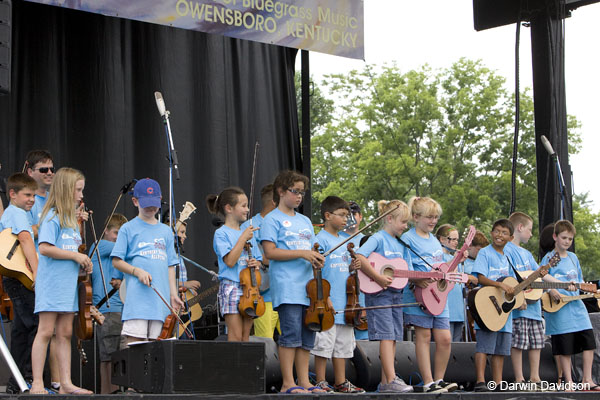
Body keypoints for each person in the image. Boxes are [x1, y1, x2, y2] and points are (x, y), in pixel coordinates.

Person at [260, 170, 325, 394]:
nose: (299, 196)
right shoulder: (272, 219)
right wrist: (302, 253)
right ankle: (288, 383)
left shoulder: (306, 221)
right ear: (281, 191)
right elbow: (269, 253)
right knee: (290, 334)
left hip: (309, 288)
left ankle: (304, 381)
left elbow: (312, 250)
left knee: (308, 335)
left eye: (302, 193)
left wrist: (316, 258)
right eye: (294, 191)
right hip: (287, 286)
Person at [30, 167, 93, 395]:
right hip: (52, 284)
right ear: (66, 190)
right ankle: (37, 382)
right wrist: (76, 256)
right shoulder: (52, 216)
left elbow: (72, 250)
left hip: (67, 286)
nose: (81, 195)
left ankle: (65, 382)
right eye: (78, 190)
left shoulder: (70, 220)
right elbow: (45, 248)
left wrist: (83, 262)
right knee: (46, 331)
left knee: (65, 333)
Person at [111, 178, 184, 347]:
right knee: (135, 347)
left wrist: (173, 295)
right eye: (146, 203)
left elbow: (170, 266)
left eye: (155, 203)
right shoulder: (128, 229)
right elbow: (116, 261)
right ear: (135, 201)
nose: (151, 208)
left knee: (158, 349)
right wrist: (137, 271)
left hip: (160, 303)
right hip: (138, 302)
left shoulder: (166, 231)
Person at [355, 200, 413, 393]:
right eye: (403, 222)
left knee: (394, 336)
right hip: (379, 295)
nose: (406, 226)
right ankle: (391, 378)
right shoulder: (378, 238)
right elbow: (360, 257)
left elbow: (407, 269)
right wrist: (378, 277)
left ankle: (386, 381)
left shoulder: (401, 243)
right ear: (389, 218)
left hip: (397, 295)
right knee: (387, 336)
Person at [401, 197, 457, 393]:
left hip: (438, 296)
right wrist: (416, 279)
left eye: (436, 217)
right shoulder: (407, 238)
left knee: (444, 338)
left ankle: (440, 379)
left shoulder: (434, 239)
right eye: (429, 217)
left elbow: (440, 267)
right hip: (418, 296)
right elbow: (405, 268)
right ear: (416, 217)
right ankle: (428, 381)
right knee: (423, 336)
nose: (434, 221)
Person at [310, 196, 364, 394]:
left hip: (346, 302)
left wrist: (353, 266)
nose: (346, 220)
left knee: (343, 344)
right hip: (328, 301)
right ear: (327, 215)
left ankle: (341, 381)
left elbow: (346, 271)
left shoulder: (346, 241)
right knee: (324, 342)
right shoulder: (320, 240)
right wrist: (326, 296)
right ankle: (321, 380)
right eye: (342, 215)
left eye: (347, 216)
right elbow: (317, 271)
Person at [541, 220, 600, 392]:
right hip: (559, 308)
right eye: (564, 237)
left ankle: (587, 379)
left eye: (570, 239)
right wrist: (554, 288)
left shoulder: (573, 258)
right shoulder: (549, 258)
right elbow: (541, 277)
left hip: (576, 306)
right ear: (555, 237)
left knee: (589, 342)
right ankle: (568, 381)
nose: (567, 241)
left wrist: (581, 285)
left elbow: (579, 279)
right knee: (565, 346)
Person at [207, 186, 262, 342]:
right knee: (236, 336)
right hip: (231, 286)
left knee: (246, 337)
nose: (247, 209)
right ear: (229, 208)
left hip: (249, 288)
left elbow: (258, 260)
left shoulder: (248, 233)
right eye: (243, 206)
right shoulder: (221, 233)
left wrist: (255, 263)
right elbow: (230, 261)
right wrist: (243, 238)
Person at [0, 173, 39, 393]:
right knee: (36, 325)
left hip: (13, 277)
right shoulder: (18, 213)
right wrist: (37, 272)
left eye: (34, 195)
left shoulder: (12, 213)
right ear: (12, 194)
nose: (32, 199)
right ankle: (28, 377)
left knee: (21, 330)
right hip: (21, 278)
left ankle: (16, 383)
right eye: (27, 195)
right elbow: (24, 239)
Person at [471, 219, 515, 392]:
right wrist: (499, 285)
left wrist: (519, 296)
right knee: (484, 345)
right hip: (487, 305)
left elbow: (512, 284)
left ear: (510, 238)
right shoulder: (485, 253)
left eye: (504, 233)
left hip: (503, 309)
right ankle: (480, 381)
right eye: (497, 231)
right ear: (491, 233)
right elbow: (480, 278)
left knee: (500, 349)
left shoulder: (508, 258)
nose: (500, 235)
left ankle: (497, 383)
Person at [506, 212, 545, 389]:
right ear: (520, 228)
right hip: (519, 306)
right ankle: (519, 378)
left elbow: (537, 276)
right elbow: (509, 279)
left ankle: (535, 377)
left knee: (536, 341)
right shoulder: (507, 250)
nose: (531, 234)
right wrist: (519, 297)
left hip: (534, 307)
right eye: (529, 230)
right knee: (519, 342)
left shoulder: (527, 254)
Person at [89, 213, 127, 394]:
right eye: (116, 233)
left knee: (109, 358)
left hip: (116, 310)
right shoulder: (99, 246)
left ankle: (107, 394)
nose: (119, 238)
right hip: (110, 310)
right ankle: (111, 394)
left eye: (122, 234)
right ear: (105, 232)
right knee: (112, 358)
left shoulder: (118, 253)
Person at [241, 184, 280, 339]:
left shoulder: (284, 224)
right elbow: (248, 259)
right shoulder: (249, 226)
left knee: (294, 342)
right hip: (264, 296)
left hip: (286, 294)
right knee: (267, 343)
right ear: (274, 203)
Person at [340, 201, 368, 341]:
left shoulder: (368, 240)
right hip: (341, 298)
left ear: (361, 216)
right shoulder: (336, 238)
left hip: (363, 298)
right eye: (346, 214)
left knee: (364, 343)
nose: (350, 218)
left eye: (354, 214)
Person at [435, 224, 465, 342]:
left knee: (457, 346)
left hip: (458, 309)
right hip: (446, 308)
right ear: (442, 239)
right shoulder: (439, 256)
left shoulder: (453, 256)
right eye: (453, 239)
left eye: (457, 239)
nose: (456, 242)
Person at [24, 150, 54, 241]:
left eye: (51, 169)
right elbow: (25, 232)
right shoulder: (23, 199)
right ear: (30, 172)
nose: (49, 173)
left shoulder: (55, 199)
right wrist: (57, 223)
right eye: (44, 170)